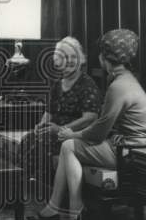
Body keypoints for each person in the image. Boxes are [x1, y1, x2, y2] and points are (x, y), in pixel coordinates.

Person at [35, 28, 146, 220]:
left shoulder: (118, 86)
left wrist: (72, 134)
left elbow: (99, 129)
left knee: (68, 146)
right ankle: (62, 209)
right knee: (69, 146)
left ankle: (72, 210)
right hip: (133, 147)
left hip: (132, 153)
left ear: (104, 58)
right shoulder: (126, 80)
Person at [15, 36, 102, 200]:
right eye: (64, 57)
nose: (69, 61)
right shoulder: (57, 84)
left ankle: (51, 197)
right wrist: (40, 125)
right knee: (29, 139)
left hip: (74, 134)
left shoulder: (87, 84)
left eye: (73, 57)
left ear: (80, 60)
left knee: (43, 145)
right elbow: (49, 111)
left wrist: (62, 129)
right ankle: (25, 188)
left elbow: (90, 117)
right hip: (53, 131)